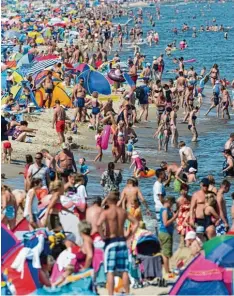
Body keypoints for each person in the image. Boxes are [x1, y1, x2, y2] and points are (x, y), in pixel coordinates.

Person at [97, 191, 138, 296]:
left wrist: (102, 236)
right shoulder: (123, 212)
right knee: (124, 270)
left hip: (111, 242)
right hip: (122, 242)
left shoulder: (106, 212)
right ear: (117, 200)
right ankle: (127, 293)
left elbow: (98, 224)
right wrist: (129, 236)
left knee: (110, 271)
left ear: (109, 201)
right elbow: (136, 223)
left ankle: (110, 294)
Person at [159, 197, 178, 274]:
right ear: (169, 202)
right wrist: (174, 218)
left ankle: (166, 269)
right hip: (165, 233)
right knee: (166, 254)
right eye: (172, 203)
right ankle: (167, 271)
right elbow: (165, 223)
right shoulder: (164, 210)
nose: (172, 205)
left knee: (165, 252)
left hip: (165, 233)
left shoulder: (166, 209)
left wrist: (172, 212)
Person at [153, 169, 166, 234]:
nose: (165, 174)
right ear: (160, 175)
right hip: (160, 207)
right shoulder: (158, 185)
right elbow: (160, 198)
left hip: (159, 206)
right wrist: (167, 206)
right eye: (164, 173)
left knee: (160, 223)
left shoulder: (160, 184)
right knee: (161, 224)